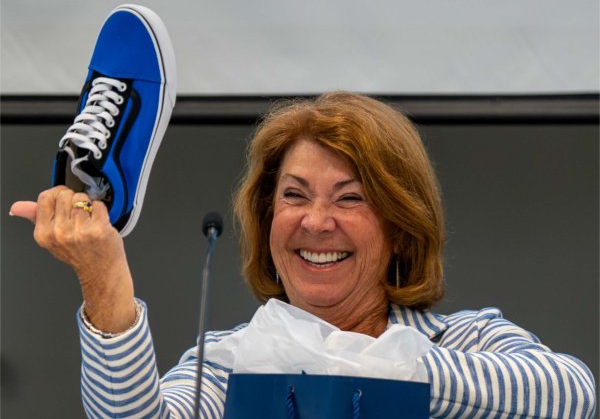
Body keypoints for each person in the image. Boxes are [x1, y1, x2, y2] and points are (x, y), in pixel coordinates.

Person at [11, 92, 596, 418]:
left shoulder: (464, 341)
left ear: (400, 226)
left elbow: (570, 394)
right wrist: (103, 275)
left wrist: (356, 363)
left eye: (351, 198)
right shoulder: (230, 363)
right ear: (268, 219)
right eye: (294, 196)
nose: (317, 222)